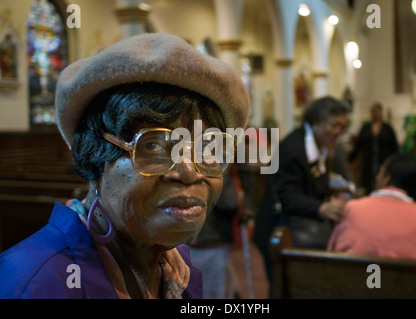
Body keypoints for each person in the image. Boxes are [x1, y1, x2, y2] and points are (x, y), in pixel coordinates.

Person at [0, 33, 250, 299]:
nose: (190, 172)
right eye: (154, 146)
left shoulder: (178, 265)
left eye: (208, 149)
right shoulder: (38, 281)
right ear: (95, 157)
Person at [253, 96, 351, 284]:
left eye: (343, 127)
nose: (338, 131)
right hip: (279, 231)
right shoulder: (294, 148)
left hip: (300, 229)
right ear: (316, 121)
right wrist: (323, 208)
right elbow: (289, 197)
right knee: (283, 287)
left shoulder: (324, 146)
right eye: (333, 125)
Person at [327, 153, 416, 262]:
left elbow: (331, 254)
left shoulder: (351, 209)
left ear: (387, 178)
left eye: (380, 172)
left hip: (354, 285)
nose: (376, 177)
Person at [189, 162, 256, 299]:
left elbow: (244, 175)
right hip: (191, 216)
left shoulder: (228, 143)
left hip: (219, 216)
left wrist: (247, 206)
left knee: (215, 273)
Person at [348, 102, 399, 195]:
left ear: (380, 112)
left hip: (383, 161)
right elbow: (358, 145)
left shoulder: (388, 128)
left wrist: (395, 162)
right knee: (368, 185)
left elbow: (394, 147)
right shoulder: (365, 128)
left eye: (377, 111)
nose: (375, 113)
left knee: (383, 183)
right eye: (373, 111)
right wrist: (350, 159)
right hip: (368, 163)